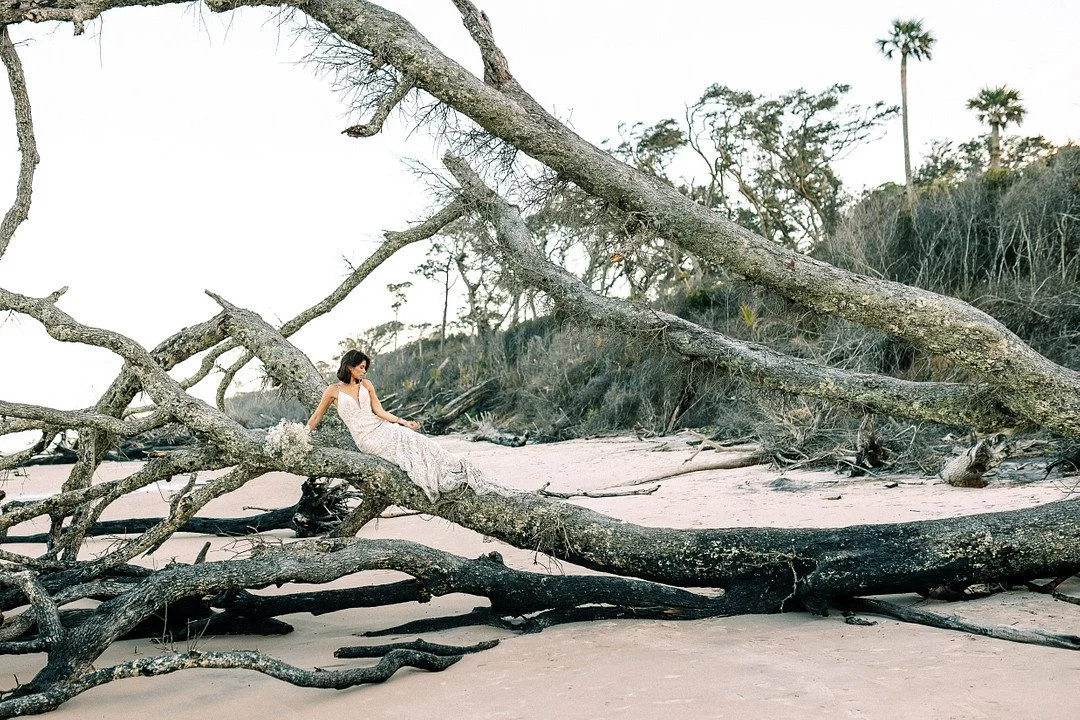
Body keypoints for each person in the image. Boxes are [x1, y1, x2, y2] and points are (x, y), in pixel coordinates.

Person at [307, 349, 505, 502]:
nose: (364, 371)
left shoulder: (367, 385)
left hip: (381, 427)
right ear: (349, 366)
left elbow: (380, 411)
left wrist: (403, 422)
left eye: (365, 367)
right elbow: (316, 417)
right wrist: (303, 434)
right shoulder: (333, 390)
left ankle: (455, 469)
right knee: (406, 451)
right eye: (361, 367)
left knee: (417, 440)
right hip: (366, 438)